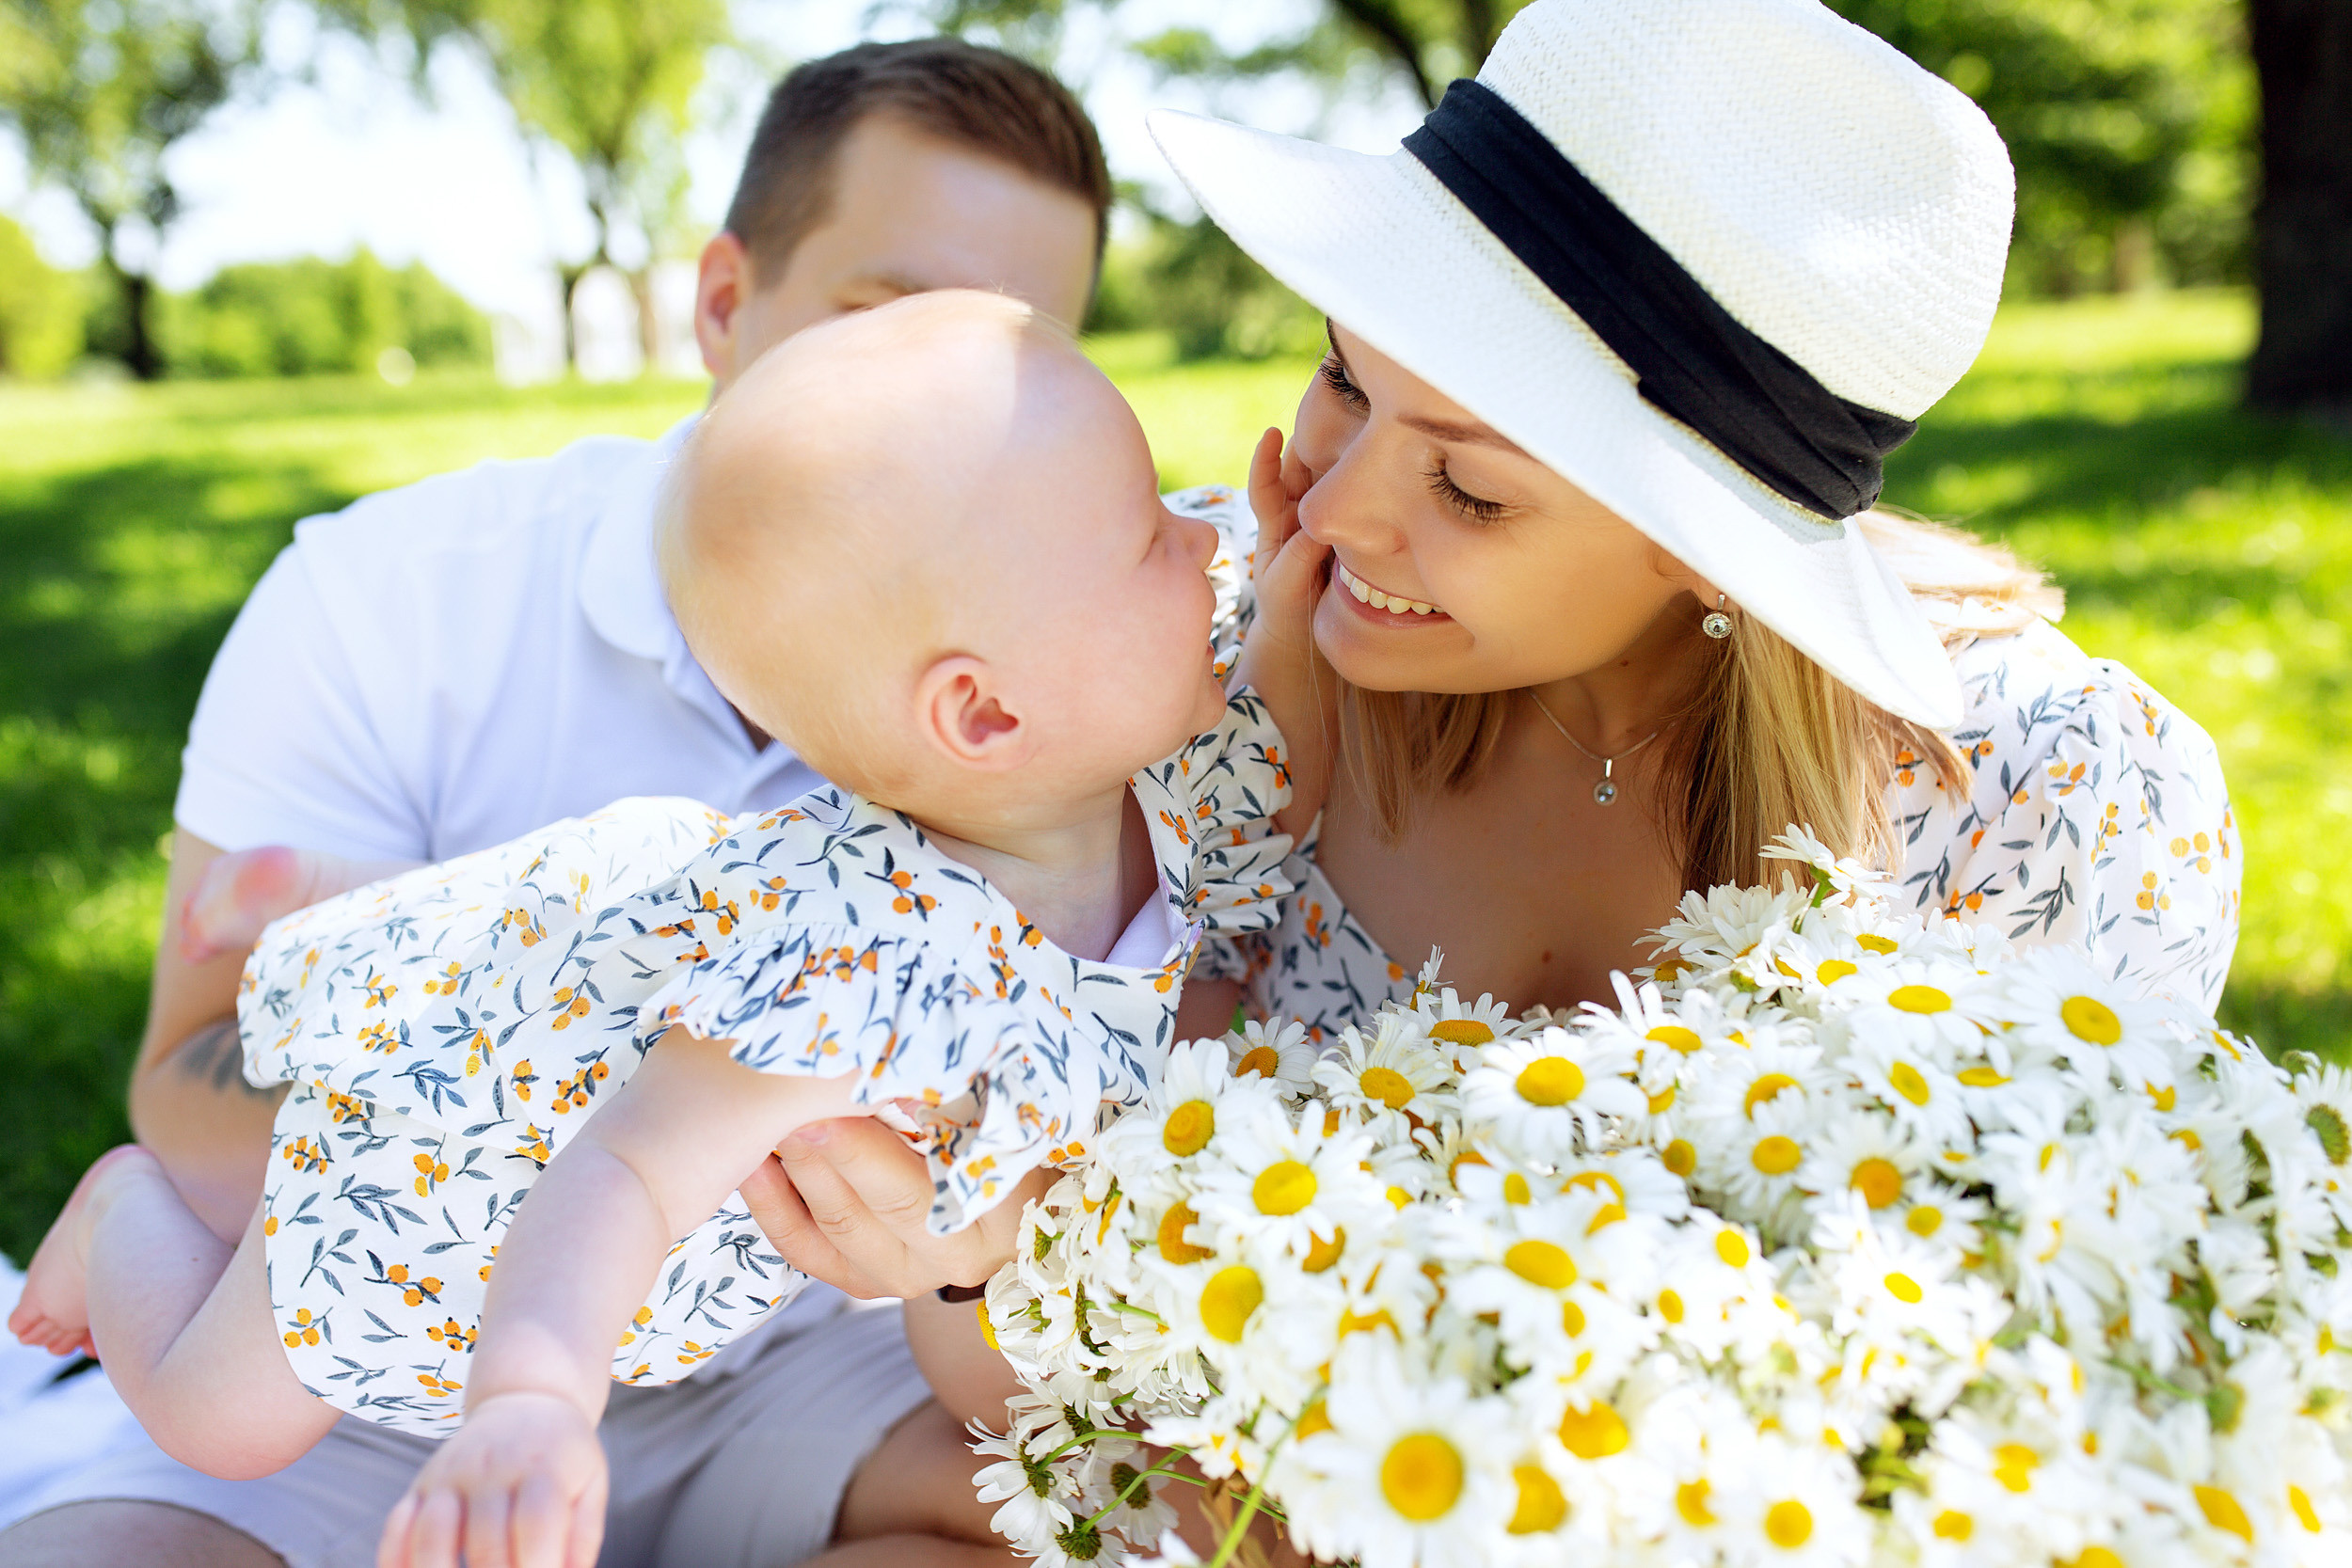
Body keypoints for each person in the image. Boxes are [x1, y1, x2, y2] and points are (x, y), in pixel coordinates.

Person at [734, 0, 2246, 1483]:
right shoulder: (1153, 654)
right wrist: (974, 1241)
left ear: (1712, 550)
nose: (1329, 510)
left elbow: (2050, 1422)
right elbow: (1011, 1398)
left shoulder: (2052, 799)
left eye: (1469, 489)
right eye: (1342, 375)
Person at [0, 38, 1114, 1568]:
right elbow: (192, 1071)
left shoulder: (1082, 664)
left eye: (1022, 357)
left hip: (810, 1360)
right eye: (892, 317)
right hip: (389, 1362)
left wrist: (955, 1252)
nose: (953, 409)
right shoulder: (383, 593)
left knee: (1111, 1525)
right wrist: (592, 1101)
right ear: (724, 304)